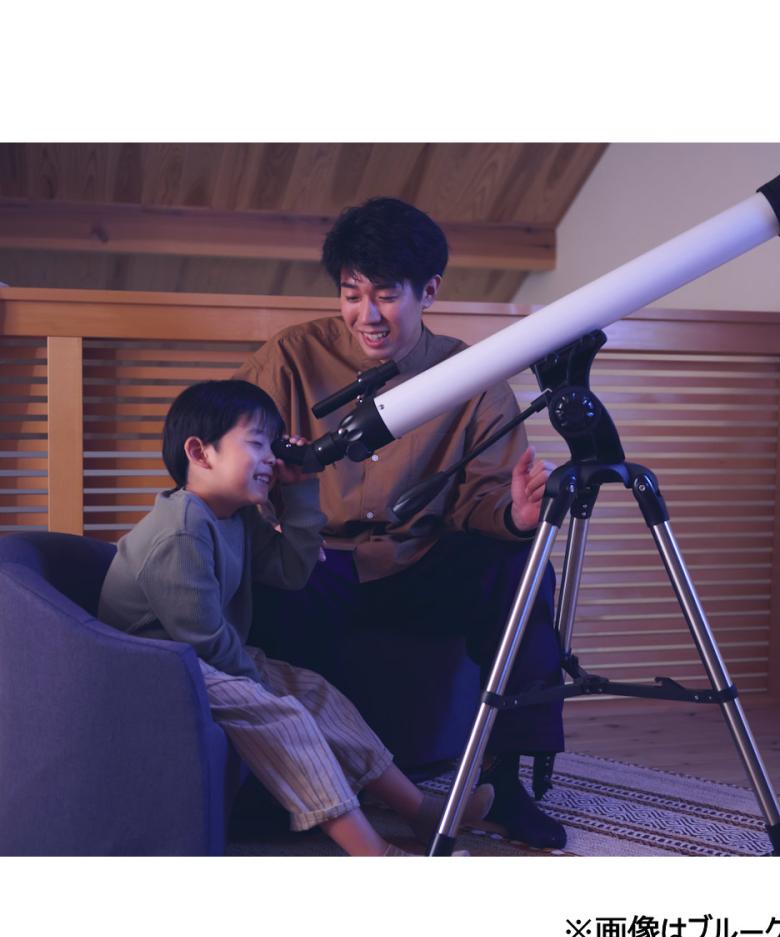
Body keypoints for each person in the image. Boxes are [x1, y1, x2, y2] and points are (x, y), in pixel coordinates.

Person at [236, 197, 567, 849]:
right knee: (265, 584)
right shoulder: (291, 357)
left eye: (386, 296)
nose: (367, 314)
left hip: (420, 562)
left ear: (429, 292)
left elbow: (484, 498)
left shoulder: (471, 377)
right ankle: (291, 788)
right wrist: (271, 486)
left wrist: (516, 514)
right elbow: (236, 448)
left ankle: (505, 780)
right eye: (351, 294)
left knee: (523, 570)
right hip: (317, 559)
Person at [97, 379, 492, 856]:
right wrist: (261, 687)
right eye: (256, 443)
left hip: (201, 659)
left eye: (273, 445)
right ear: (200, 453)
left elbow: (291, 572)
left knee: (314, 693)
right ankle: (375, 854)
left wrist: (302, 491)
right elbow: (201, 639)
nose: (270, 458)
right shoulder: (180, 530)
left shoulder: (236, 515)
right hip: (157, 669)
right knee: (284, 717)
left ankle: (420, 811)